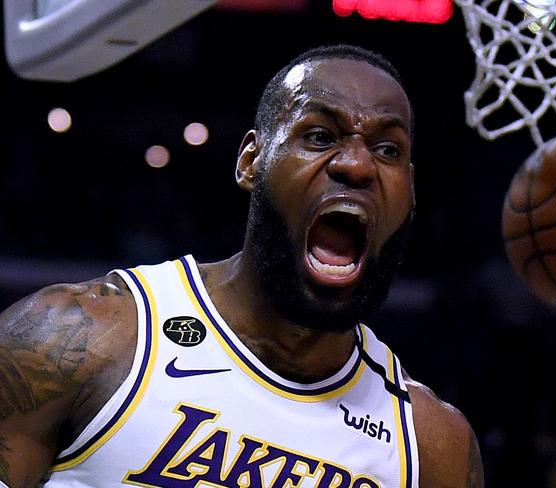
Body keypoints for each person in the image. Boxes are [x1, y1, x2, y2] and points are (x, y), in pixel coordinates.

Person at [0, 44, 484, 487]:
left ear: (411, 192)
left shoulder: (432, 447)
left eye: (387, 149)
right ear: (251, 161)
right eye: (319, 135)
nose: (356, 165)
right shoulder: (77, 340)